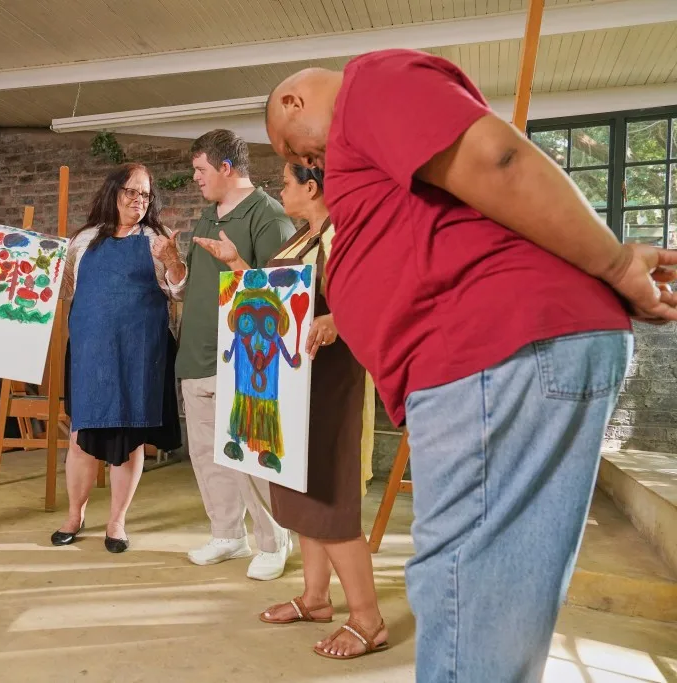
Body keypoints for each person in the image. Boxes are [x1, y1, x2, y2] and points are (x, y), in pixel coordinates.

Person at [264, 49, 677, 681]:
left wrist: (616, 264)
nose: (309, 164)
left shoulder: (370, 84)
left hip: (491, 352)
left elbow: (498, 160)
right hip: (489, 360)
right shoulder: (360, 164)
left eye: (296, 151)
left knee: (465, 587)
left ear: (293, 102)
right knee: (497, 590)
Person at [200, 163, 387, 660]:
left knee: (330, 500)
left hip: (332, 389)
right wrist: (238, 266)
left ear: (312, 186)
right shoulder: (302, 238)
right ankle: (316, 598)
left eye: (285, 182)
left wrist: (340, 318)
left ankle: (368, 619)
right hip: (292, 389)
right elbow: (277, 299)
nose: (279, 190)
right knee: (300, 493)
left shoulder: (346, 238)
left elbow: (382, 296)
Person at [176, 129, 296, 580]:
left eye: (201, 169)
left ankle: (274, 540)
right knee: (207, 454)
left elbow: (280, 295)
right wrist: (171, 264)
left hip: (246, 359)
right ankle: (227, 534)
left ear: (226, 167)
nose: (196, 177)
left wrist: (236, 264)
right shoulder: (207, 218)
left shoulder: (269, 217)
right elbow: (195, 285)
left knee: (252, 456)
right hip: (198, 355)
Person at [51, 163, 185, 554]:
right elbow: (64, 289)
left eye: (145, 194)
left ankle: (117, 522)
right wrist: (43, 266)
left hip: (138, 355)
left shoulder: (156, 240)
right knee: (81, 438)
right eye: (131, 191)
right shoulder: (83, 240)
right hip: (91, 354)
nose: (139, 200)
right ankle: (74, 516)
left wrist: (173, 261)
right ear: (113, 191)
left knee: (129, 442)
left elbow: (179, 291)